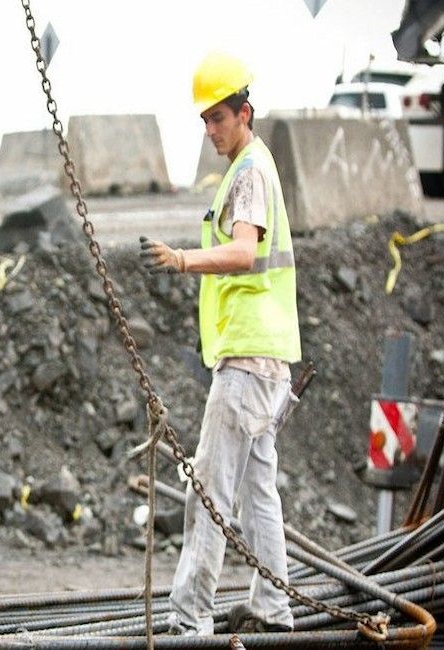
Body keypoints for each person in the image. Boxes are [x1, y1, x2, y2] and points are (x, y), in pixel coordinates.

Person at [139, 50, 301, 636]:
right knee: (258, 492)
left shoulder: (251, 170)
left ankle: (189, 615)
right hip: (266, 359)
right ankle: (272, 607)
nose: (210, 130)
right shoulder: (248, 166)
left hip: (249, 361)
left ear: (245, 113)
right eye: (204, 120)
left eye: (218, 119)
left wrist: (182, 259)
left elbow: (245, 250)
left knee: (208, 486)